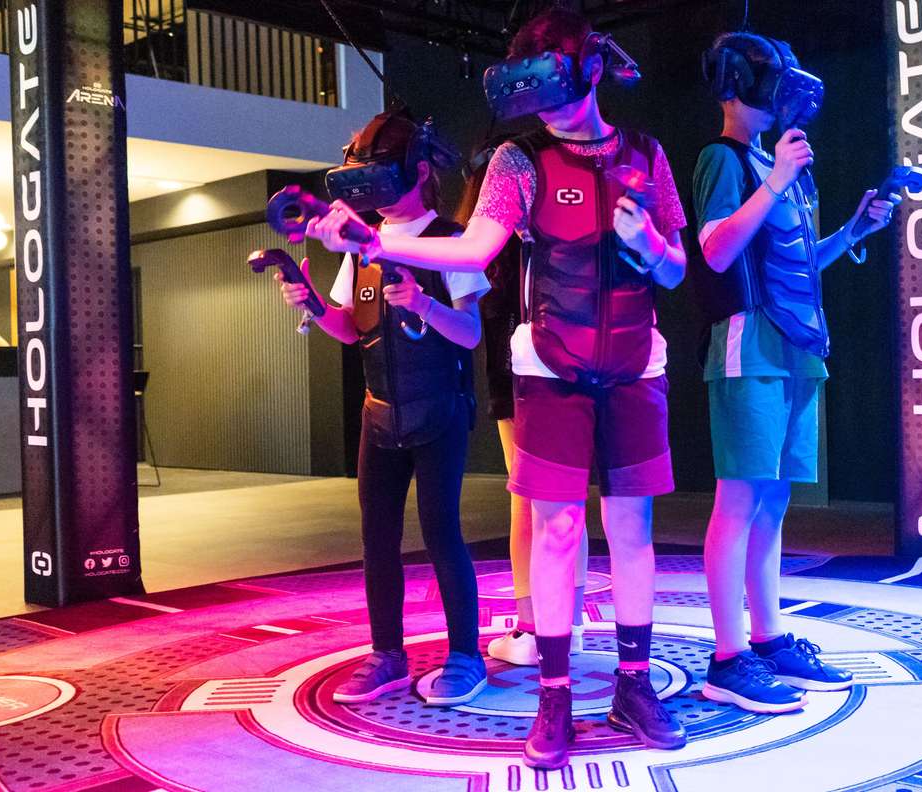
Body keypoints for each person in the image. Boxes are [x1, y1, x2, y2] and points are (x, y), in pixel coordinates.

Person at [306, 8, 690, 769]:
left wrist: (648, 241)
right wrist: (371, 240)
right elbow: (475, 248)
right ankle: (554, 695)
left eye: (553, 88)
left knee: (633, 531)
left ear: (588, 71)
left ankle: (633, 685)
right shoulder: (518, 159)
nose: (544, 107)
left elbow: (677, 269)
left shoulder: (646, 153)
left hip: (634, 364)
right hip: (550, 367)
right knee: (556, 531)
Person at [690, 31, 899, 713]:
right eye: (767, 79)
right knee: (740, 499)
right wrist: (775, 179)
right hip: (747, 343)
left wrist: (854, 230)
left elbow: (798, 264)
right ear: (733, 85)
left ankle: (768, 636)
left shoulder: (779, 163)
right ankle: (727, 658)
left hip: (798, 343)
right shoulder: (722, 158)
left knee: (774, 500)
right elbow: (716, 250)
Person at [276, 108, 491, 707]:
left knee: (442, 532)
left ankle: (465, 656)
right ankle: (386, 655)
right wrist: (312, 302)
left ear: (418, 172)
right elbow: (352, 328)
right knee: (377, 539)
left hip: (440, 410)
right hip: (379, 414)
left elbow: (471, 334)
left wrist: (422, 303)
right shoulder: (359, 246)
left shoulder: (451, 241)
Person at [455, 138, 591, 667]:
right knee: (567, 500)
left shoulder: (485, 242)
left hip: (519, 380)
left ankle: (534, 628)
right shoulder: (549, 229)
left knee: (531, 501)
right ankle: (569, 623)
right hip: (567, 370)